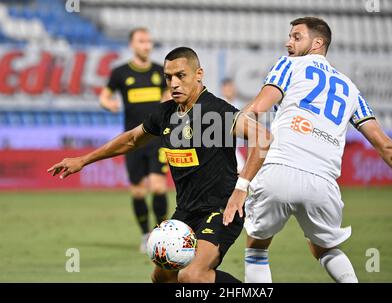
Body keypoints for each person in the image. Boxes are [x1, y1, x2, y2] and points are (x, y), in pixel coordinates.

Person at [223, 17, 392, 283]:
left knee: (257, 247)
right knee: (324, 248)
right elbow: (385, 146)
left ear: (317, 43)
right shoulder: (351, 89)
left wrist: (225, 132)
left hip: (278, 171)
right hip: (323, 185)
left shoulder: (288, 65)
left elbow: (255, 112)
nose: (288, 42)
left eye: (297, 37)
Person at [47, 47, 271, 283]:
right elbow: (132, 139)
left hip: (221, 209)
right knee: (162, 275)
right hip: (186, 211)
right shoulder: (166, 113)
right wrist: (82, 160)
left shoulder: (216, 111)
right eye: (168, 77)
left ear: (199, 74)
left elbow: (263, 138)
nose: (173, 83)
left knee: (192, 275)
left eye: (181, 75)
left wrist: (241, 188)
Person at [99, 27, 169, 252]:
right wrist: (109, 104)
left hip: (157, 138)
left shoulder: (160, 71)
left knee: (159, 187)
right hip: (132, 140)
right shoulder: (120, 73)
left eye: (148, 41)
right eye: (141, 41)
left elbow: (168, 96)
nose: (146, 45)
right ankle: (145, 234)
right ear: (132, 45)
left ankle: (160, 234)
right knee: (138, 191)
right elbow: (104, 96)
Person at [220, 78, 246, 173]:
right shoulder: (219, 104)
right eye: (226, 88)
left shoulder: (239, 105)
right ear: (222, 90)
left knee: (239, 170)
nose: (229, 90)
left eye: (230, 88)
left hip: (236, 147)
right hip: (222, 147)